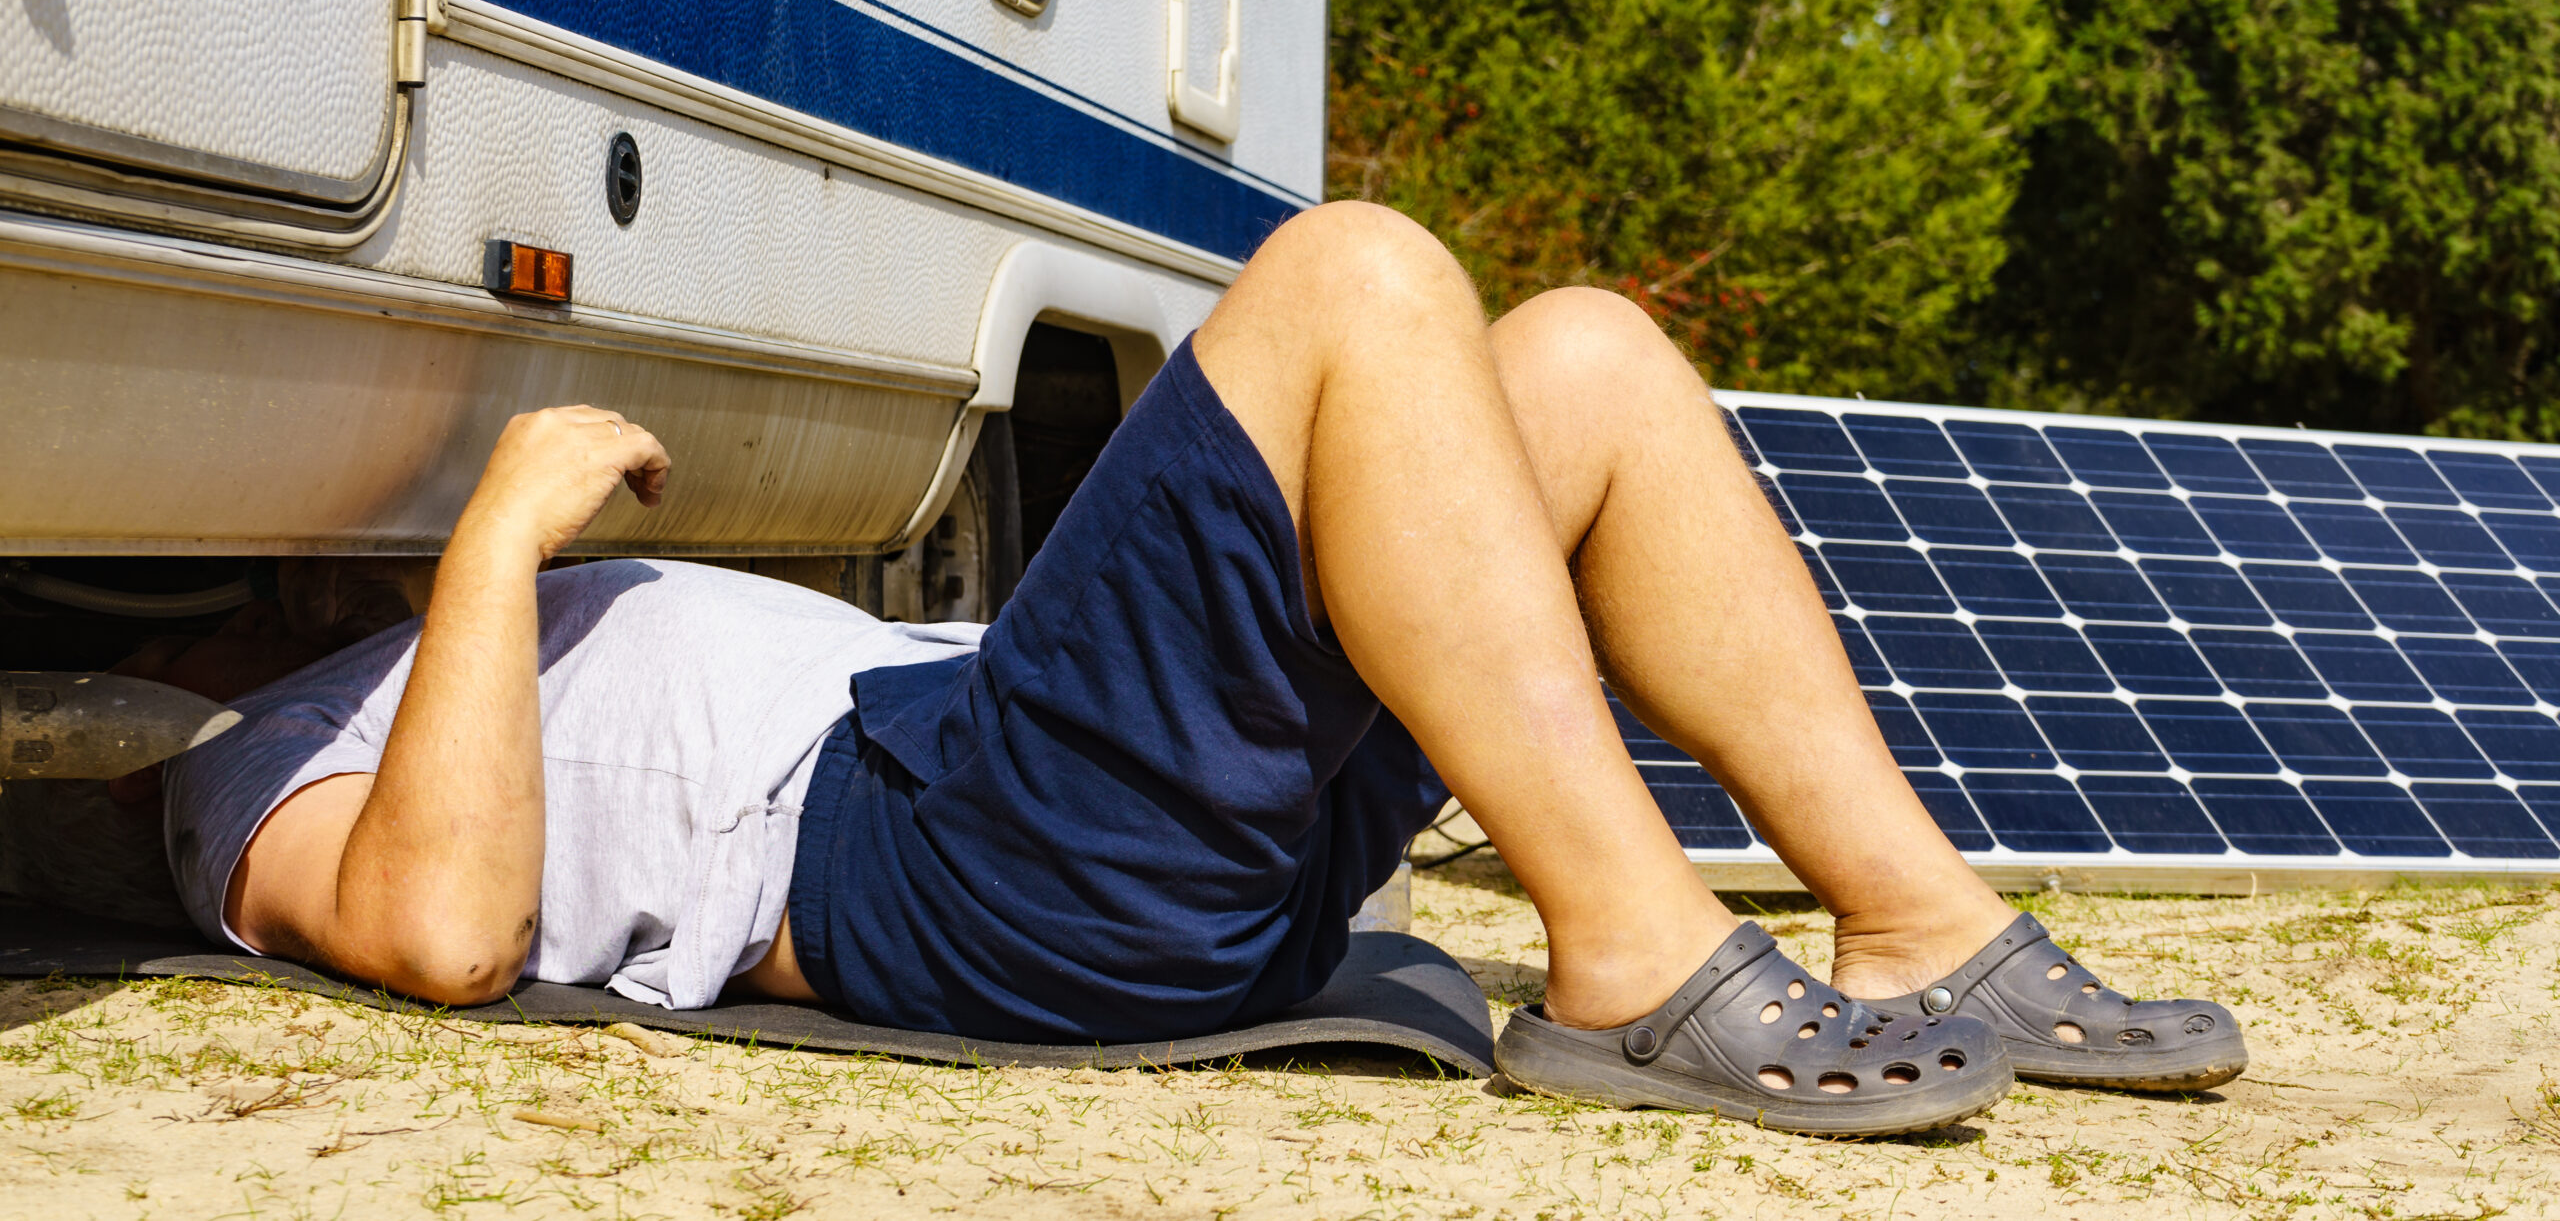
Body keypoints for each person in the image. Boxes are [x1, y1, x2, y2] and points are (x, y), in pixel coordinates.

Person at [160, 203, 2246, 1135]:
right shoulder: (255, 757)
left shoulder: (389, 671)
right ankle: (1627, 958)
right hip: (963, 868)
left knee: (1585, 353)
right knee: (1346, 273)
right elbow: (437, 928)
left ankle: (1912, 921)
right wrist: (501, 536)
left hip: (1053, 795)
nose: (304, 560)